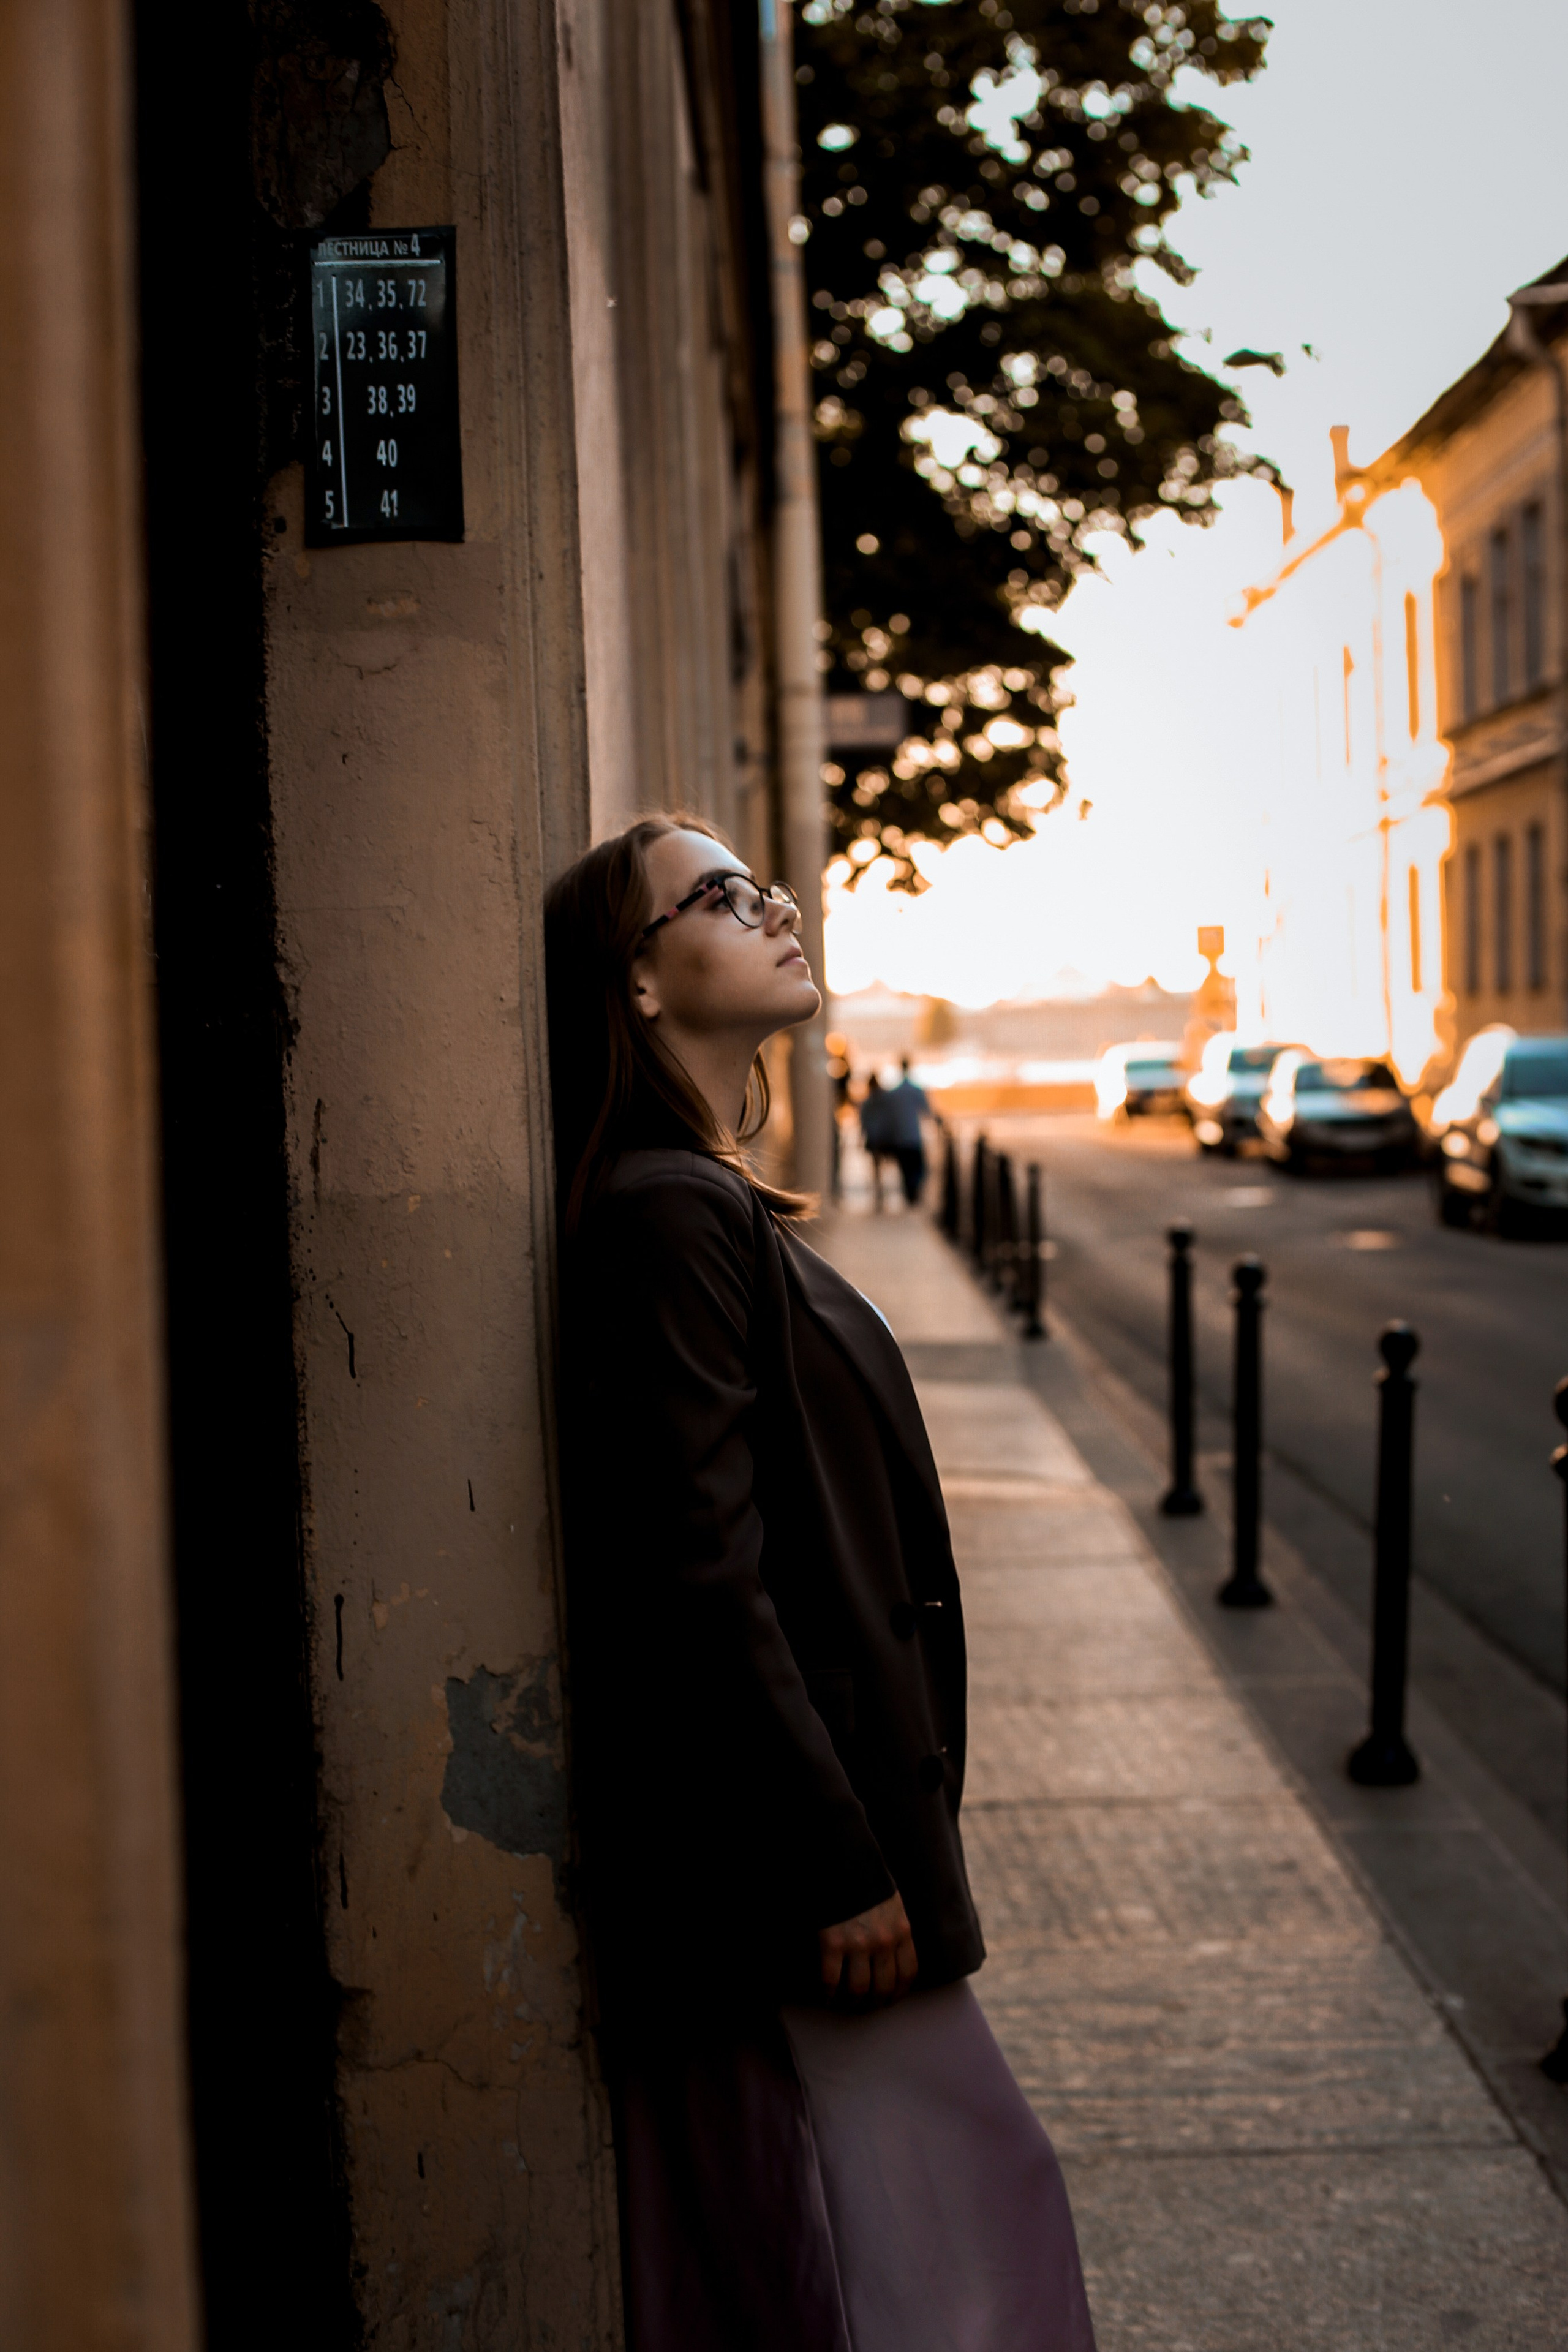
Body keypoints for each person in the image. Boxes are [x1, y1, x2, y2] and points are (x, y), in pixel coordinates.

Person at [545, 813, 1096, 2352]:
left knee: (860, 2250)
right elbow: (696, 1574)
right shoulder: (667, 1211)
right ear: (637, 980)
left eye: (766, 885)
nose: (772, 907)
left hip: (817, 1837)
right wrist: (835, 1860)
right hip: (799, 1862)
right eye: (719, 895)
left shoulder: (701, 1195)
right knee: (953, 2236)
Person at [883, 1055, 932, 1207]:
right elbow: (927, 1111)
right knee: (918, 1169)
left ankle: (911, 1196)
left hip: (900, 1137)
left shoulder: (894, 1093)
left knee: (906, 1171)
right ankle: (913, 1196)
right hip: (912, 1137)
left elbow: (889, 1117)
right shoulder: (914, 1091)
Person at [858, 1069, 897, 1211]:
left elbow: (864, 1121)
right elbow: (891, 1118)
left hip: (874, 1137)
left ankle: (880, 1190)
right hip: (884, 1136)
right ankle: (883, 1191)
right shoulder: (884, 1099)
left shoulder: (868, 1102)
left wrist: (861, 1137)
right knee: (885, 1165)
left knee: (877, 1166)